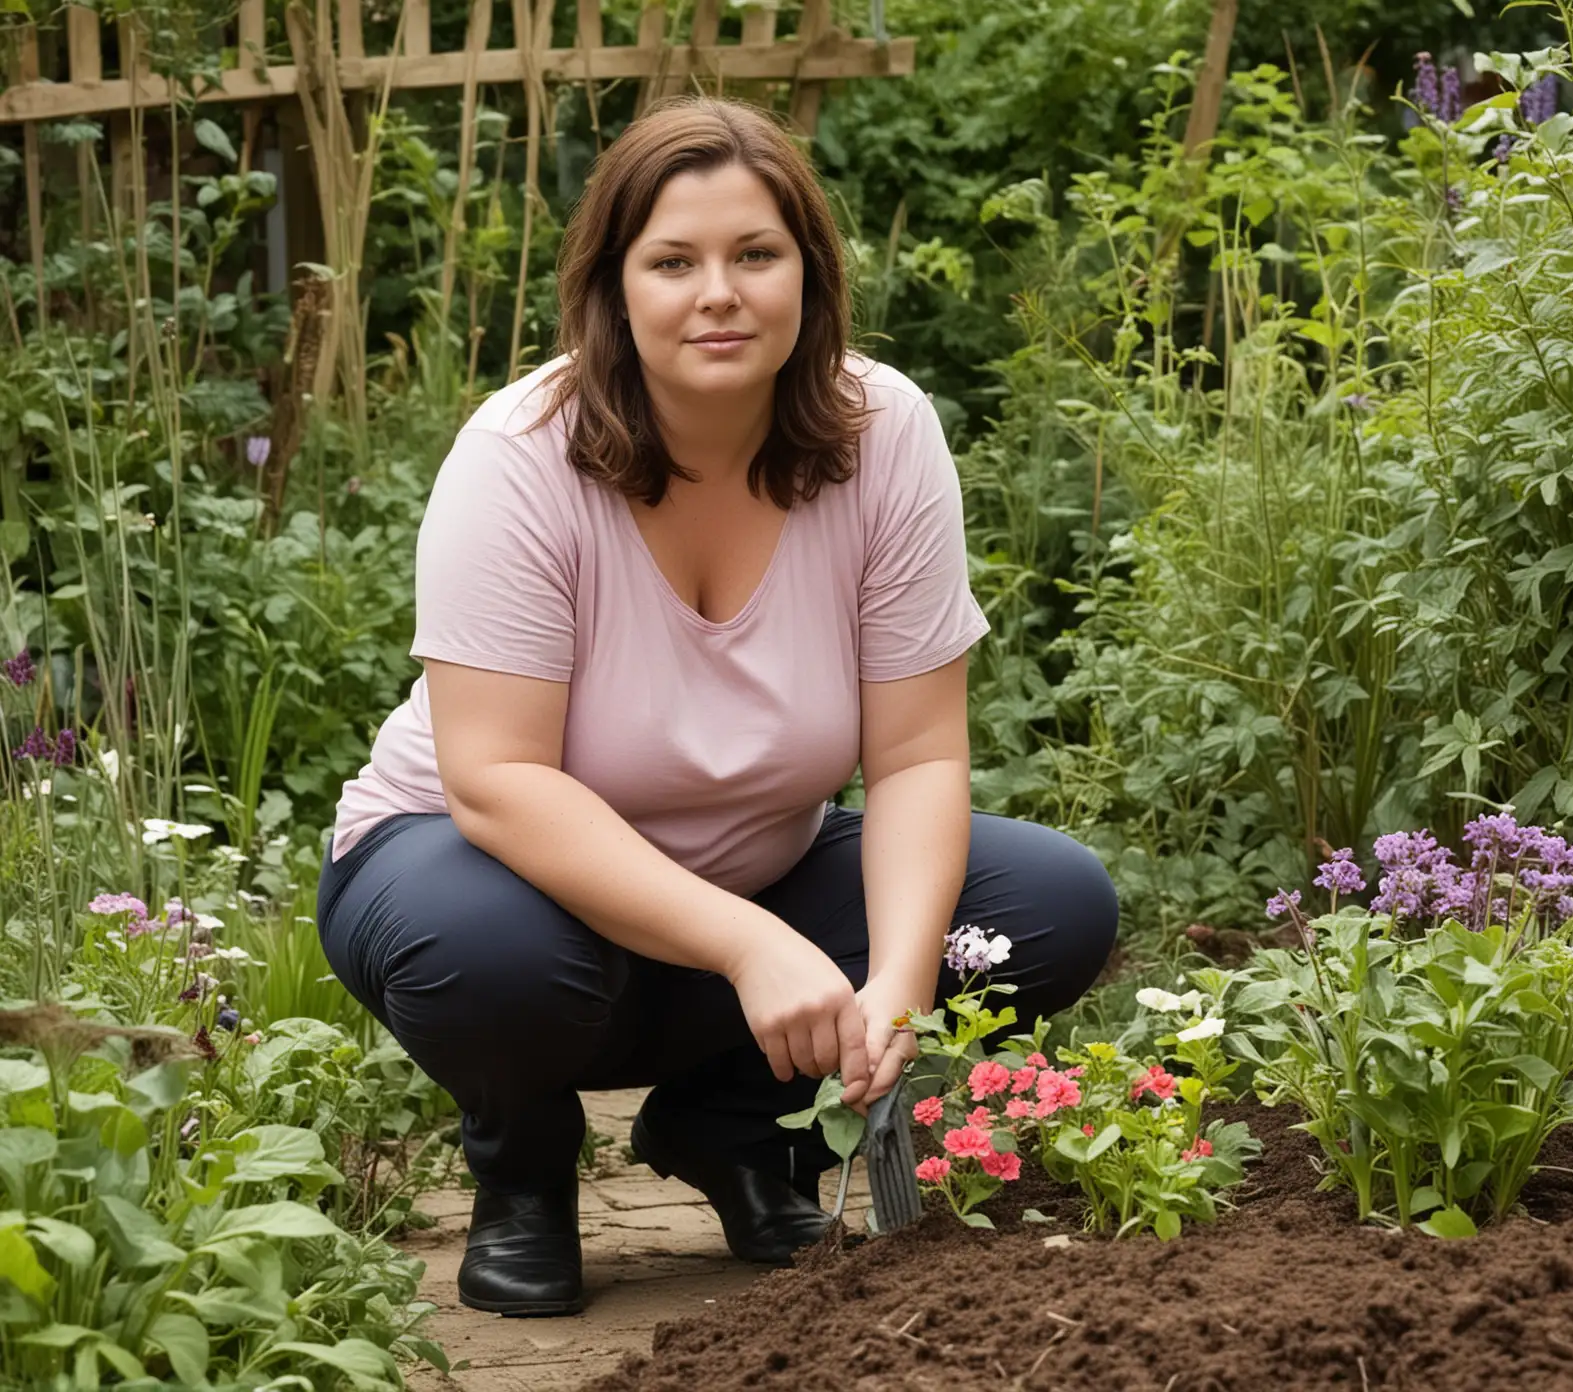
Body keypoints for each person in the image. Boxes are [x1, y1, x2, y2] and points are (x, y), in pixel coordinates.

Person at [316, 96, 1118, 1319]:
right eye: (674, 261)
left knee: (1044, 909)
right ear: (614, 287)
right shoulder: (520, 455)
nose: (719, 293)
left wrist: (896, 989)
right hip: (483, 877)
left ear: (809, 271)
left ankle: (741, 1134)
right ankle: (524, 1170)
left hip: (756, 875)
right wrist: (753, 947)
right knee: (492, 955)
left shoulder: (882, 434)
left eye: (755, 254)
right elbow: (497, 780)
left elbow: (913, 759)